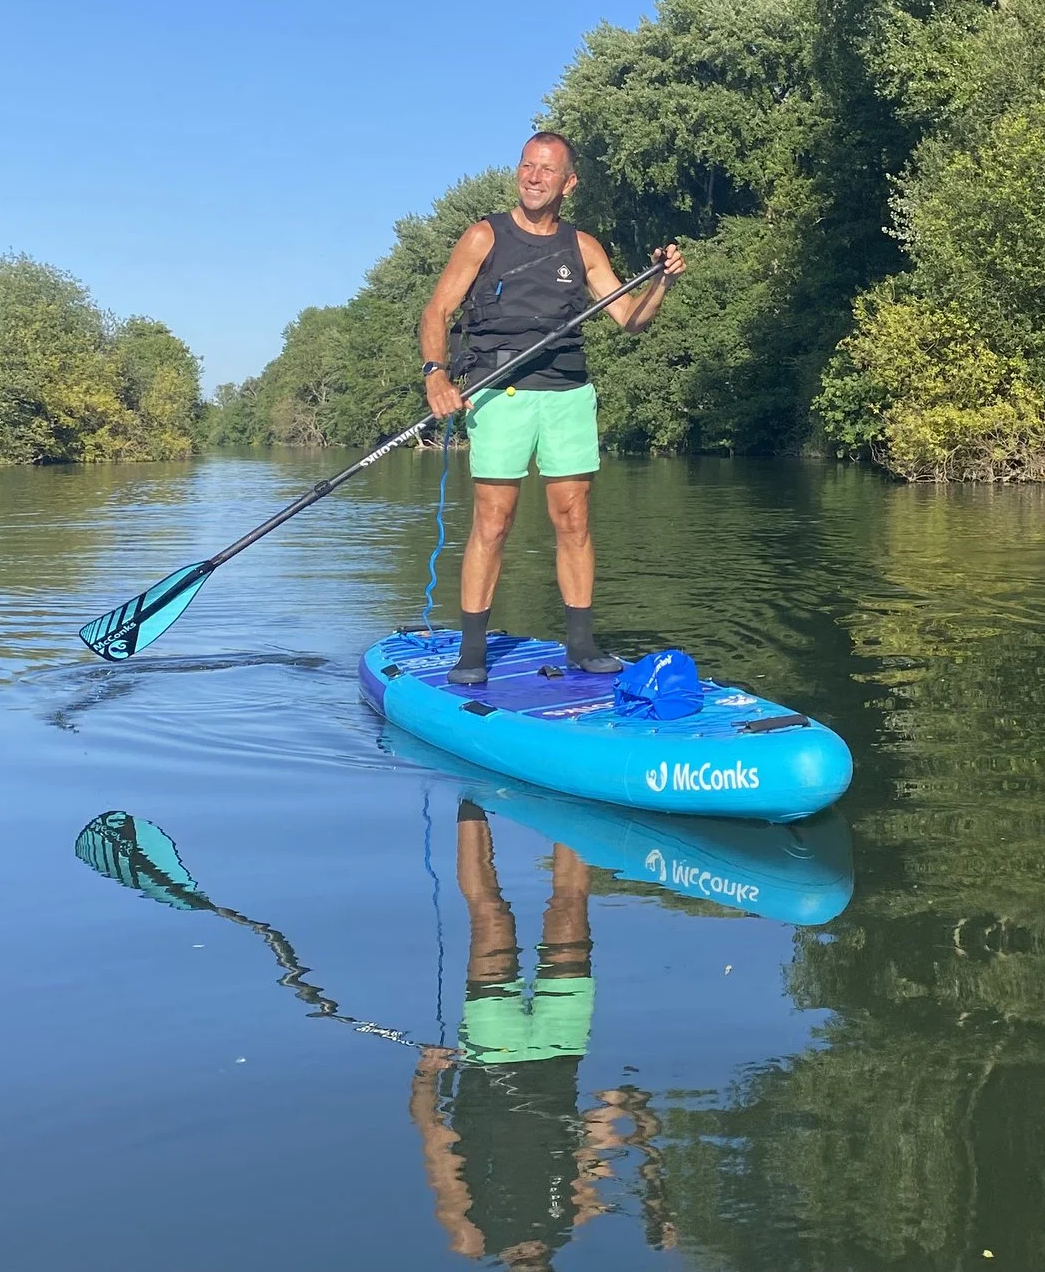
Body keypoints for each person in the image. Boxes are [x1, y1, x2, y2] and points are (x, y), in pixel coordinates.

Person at [419, 132, 685, 685]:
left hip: (567, 393)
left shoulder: (583, 247)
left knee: (574, 518)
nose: (533, 177)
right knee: (493, 520)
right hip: (499, 390)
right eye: (526, 166)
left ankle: (582, 645)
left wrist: (659, 280)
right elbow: (438, 309)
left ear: (569, 182)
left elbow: (630, 319)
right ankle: (472, 652)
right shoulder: (484, 236)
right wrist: (436, 374)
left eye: (546, 170)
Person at [409, 801, 676, 1266]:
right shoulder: (571, 1222)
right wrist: (621, 1110)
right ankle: (569, 791)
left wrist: (426, 1077)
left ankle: (470, 796)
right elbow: (596, 1142)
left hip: (492, 1053)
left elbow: (435, 1144)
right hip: (562, 1046)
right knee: (571, 907)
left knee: (490, 915)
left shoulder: (473, 1237)